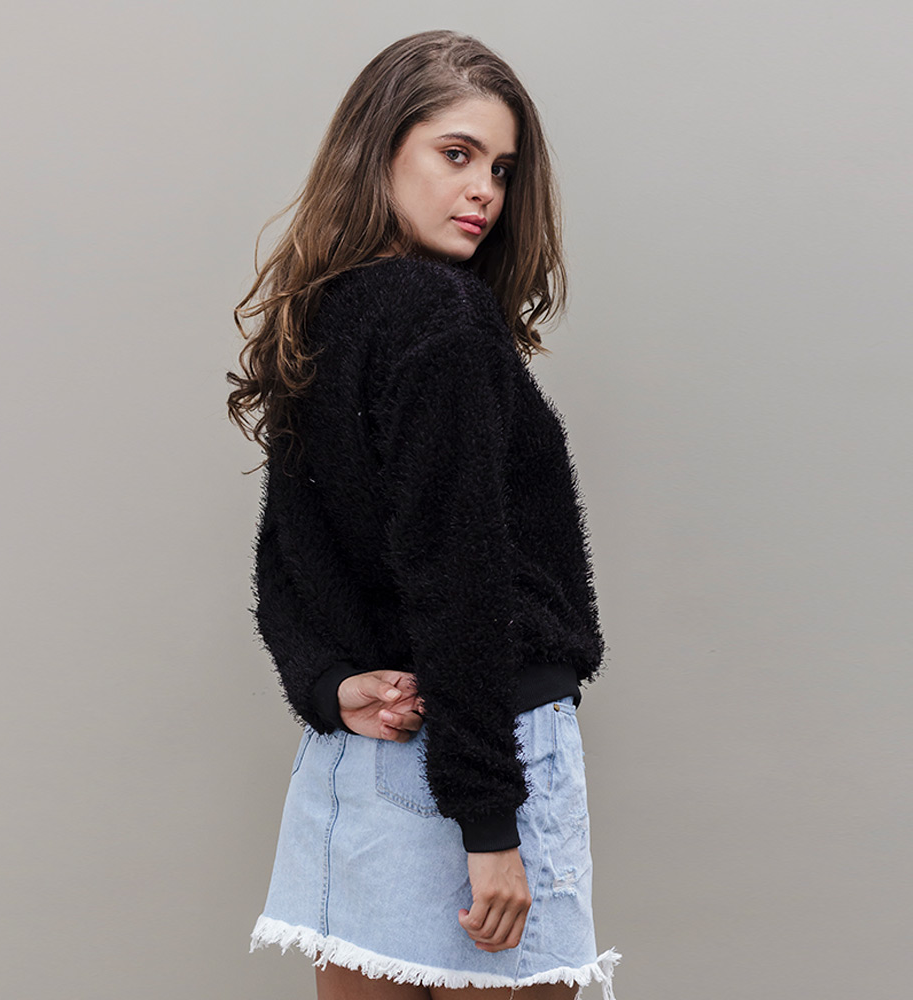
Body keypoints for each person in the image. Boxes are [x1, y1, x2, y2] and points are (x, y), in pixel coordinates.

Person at [227, 29, 621, 1000]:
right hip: (488, 751)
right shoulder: (441, 319)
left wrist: (329, 686)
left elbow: (285, 561)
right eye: (455, 154)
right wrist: (489, 827)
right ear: (379, 151)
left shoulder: (320, 316)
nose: (484, 189)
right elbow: (461, 576)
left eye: (501, 168)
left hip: (363, 755)